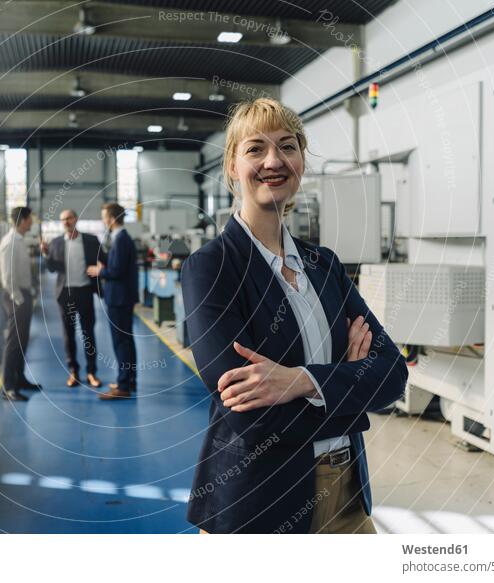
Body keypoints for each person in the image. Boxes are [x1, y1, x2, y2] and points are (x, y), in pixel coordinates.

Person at [181, 98, 408, 534]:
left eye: (287, 146)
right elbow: (250, 416)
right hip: (260, 499)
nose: (274, 161)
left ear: (301, 160)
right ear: (232, 164)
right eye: (255, 149)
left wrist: (301, 381)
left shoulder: (325, 265)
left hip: (346, 495)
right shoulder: (212, 267)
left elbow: (392, 375)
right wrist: (347, 385)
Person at [40, 209, 104, 388]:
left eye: (68, 218)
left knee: (88, 333)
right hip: (65, 294)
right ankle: (73, 372)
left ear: (76, 219)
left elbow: (103, 260)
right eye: (62, 220)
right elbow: (52, 268)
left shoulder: (91, 241)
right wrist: (45, 254)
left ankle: (91, 372)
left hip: (85, 292)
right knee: (68, 335)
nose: (66, 222)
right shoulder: (56, 243)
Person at [87, 202, 139, 400]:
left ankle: (123, 386)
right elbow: (119, 266)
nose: (103, 220)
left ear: (111, 218)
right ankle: (128, 379)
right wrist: (107, 261)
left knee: (121, 342)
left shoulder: (121, 240)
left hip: (119, 298)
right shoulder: (122, 239)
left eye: (104, 217)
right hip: (123, 297)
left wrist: (100, 271)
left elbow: (116, 272)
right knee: (127, 341)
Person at [0, 206, 42, 401]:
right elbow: (8, 277)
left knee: (22, 340)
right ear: (23, 220)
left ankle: (19, 378)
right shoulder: (10, 243)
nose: (32, 221)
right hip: (16, 296)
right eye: (30, 218)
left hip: (23, 294)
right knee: (13, 342)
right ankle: (8, 387)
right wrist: (20, 299)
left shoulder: (19, 241)